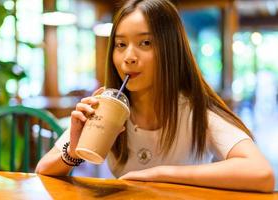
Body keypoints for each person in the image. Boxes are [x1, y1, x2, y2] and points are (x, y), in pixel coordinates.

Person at [35, 0, 274, 192]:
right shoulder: (108, 106)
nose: (128, 56)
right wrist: (74, 152)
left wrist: (158, 174)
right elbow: (43, 170)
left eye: (145, 42)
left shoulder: (196, 112)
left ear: (171, 50)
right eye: (120, 45)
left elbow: (262, 174)